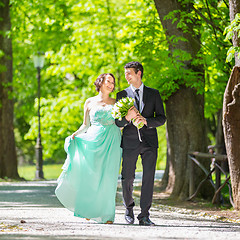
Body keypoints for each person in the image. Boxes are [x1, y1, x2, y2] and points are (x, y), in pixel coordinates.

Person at [55, 73, 122, 224]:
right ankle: (89, 209)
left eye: (113, 82)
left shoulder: (117, 102)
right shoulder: (89, 102)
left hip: (112, 140)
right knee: (92, 175)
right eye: (108, 81)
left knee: (109, 177)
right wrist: (75, 135)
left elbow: (123, 122)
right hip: (93, 139)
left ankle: (107, 215)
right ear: (100, 82)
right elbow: (85, 124)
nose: (111, 85)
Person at [115, 61, 166, 226]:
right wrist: (126, 119)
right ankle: (128, 208)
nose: (126, 76)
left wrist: (147, 121)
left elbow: (161, 118)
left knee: (148, 178)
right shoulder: (121, 95)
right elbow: (118, 123)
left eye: (129, 73)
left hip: (150, 142)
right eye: (125, 73)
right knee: (127, 177)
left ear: (139, 73)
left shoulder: (154, 94)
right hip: (130, 142)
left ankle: (144, 215)